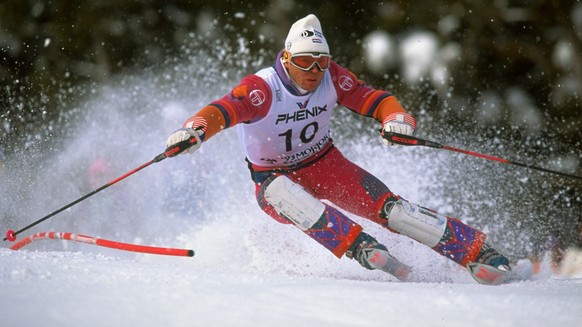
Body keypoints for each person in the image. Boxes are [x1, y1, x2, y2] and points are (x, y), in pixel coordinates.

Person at [166, 14, 511, 284]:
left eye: (321, 61)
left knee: (393, 211)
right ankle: (360, 247)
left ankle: (478, 252)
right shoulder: (262, 89)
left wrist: (396, 119)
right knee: (283, 192)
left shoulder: (331, 75)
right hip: (273, 178)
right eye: (305, 62)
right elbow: (223, 110)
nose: (314, 71)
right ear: (286, 58)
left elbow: (372, 98)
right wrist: (194, 130)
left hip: (325, 164)